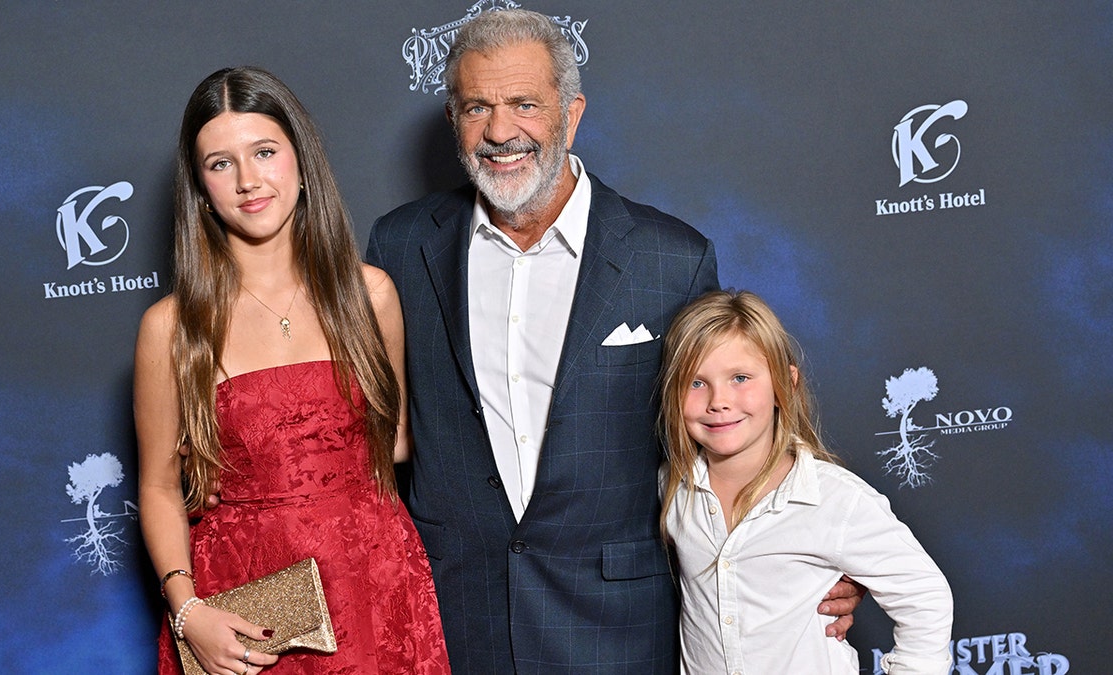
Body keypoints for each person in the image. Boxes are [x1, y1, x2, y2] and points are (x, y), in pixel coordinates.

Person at [365, 9, 862, 673]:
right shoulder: (399, 246)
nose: (500, 130)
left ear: (570, 115)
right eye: (475, 106)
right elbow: (374, 437)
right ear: (454, 118)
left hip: (616, 629)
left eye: (524, 104)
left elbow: (729, 429)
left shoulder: (670, 259)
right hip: (453, 622)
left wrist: (806, 550)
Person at [135, 66, 449, 674]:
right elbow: (157, 486)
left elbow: (399, 441)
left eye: (264, 152)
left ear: (300, 162)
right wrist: (188, 610)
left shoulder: (370, 296)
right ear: (200, 186)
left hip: (376, 584)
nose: (248, 181)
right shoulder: (172, 328)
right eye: (220, 163)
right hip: (247, 602)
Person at [658, 289, 954, 674]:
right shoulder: (671, 487)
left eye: (740, 378)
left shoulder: (836, 500)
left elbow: (925, 596)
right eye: (696, 383)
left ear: (785, 384)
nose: (719, 400)